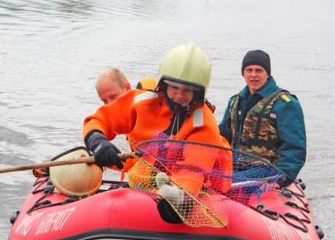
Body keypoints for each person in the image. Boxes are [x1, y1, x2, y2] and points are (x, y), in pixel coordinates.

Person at [83, 43, 229, 201]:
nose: (179, 95)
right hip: (147, 188)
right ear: (163, 84)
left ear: (199, 92)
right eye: (174, 87)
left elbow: (193, 170)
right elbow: (100, 119)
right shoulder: (143, 102)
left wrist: (178, 196)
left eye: (187, 90)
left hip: (193, 192)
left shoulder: (203, 124)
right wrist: (98, 141)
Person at [219, 50, 306, 187]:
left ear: (268, 73)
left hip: (266, 170)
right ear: (243, 73)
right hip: (234, 165)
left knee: (223, 182)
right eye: (249, 70)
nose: (253, 75)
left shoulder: (285, 104)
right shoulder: (235, 101)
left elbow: (294, 148)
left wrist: (282, 178)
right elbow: (222, 135)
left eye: (259, 70)